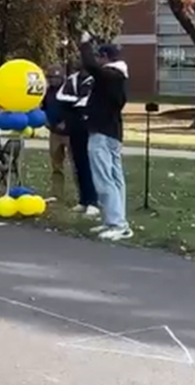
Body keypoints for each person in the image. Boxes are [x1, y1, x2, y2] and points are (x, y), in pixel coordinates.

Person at [79, 32, 130, 241]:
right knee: (116, 179)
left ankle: (117, 223)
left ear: (106, 57)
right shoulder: (117, 77)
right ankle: (116, 221)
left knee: (104, 179)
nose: (98, 60)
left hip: (101, 132)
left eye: (100, 57)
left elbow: (91, 66)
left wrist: (85, 44)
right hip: (113, 132)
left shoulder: (111, 76)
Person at [57, 62, 99, 216]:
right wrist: (76, 100)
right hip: (73, 126)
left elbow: (88, 100)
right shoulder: (72, 79)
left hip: (88, 126)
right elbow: (60, 96)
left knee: (89, 165)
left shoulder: (94, 79)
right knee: (78, 164)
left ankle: (93, 201)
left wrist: (74, 101)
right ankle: (83, 200)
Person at [41, 68, 71, 202]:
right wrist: (46, 121)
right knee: (56, 164)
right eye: (50, 78)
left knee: (76, 164)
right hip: (54, 132)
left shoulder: (68, 90)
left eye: (56, 78)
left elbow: (73, 108)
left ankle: (83, 196)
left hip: (69, 133)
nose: (53, 80)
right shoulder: (48, 92)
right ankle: (57, 194)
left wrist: (66, 122)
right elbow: (44, 108)